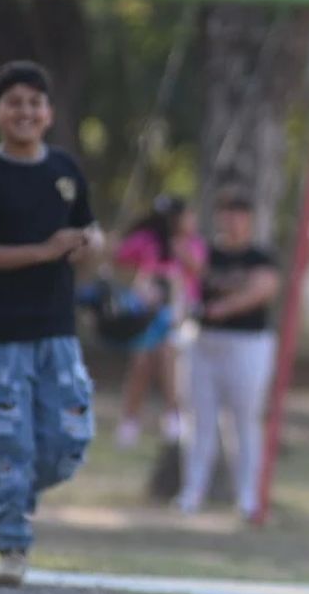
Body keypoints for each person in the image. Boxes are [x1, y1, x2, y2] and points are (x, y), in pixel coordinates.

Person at [0, 60, 103, 587]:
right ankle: (13, 549)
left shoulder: (64, 171)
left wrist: (90, 247)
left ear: (49, 113)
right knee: (9, 443)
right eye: (14, 102)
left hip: (57, 332)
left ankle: (3, 498)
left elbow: (88, 234)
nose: (25, 111)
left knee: (70, 441)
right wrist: (44, 251)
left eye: (35, 102)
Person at [178, 193, 280, 519]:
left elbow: (263, 288)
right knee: (199, 419)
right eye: (227, 213)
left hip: (247, 343)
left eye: (239, 214)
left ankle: (248, 497)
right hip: (204, 341)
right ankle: (192, 492)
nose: (233, 221)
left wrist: (222, 307)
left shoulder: (259, 256)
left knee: (245, 420)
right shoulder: (203, 252)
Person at [110, 194, 206, 449]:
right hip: (148, 312)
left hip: (179, 313)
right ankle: (130, 420)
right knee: (141, 362)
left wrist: (179, 251)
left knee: (167, 357)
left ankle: (174, 415)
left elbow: (197, 268)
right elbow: (120, 260)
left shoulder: (190, 243)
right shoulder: (147, 240)